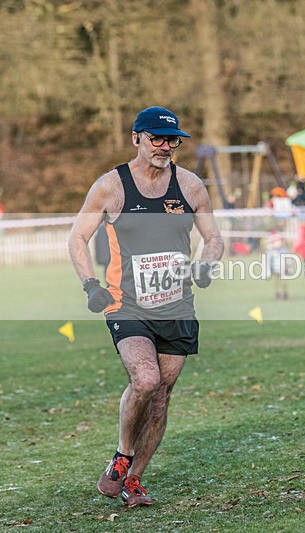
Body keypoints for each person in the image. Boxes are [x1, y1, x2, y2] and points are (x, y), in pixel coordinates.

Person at [68, 106, 224, 508]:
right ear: (136, 137)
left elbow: (214, 237)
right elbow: (77, 239)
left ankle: (134, 480)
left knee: (162, 395)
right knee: (145, 380)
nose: (166, 147)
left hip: (176, 306)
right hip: (127, 304)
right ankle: (122, 456)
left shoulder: (189, 185)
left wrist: (206, 265)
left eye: (172, 140)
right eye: (157, 138)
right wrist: (90, 285)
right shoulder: (110, 186)